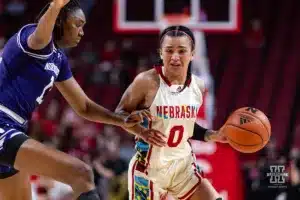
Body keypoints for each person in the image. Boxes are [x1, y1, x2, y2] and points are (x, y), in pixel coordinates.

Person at [0, 0, 166, 200]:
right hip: (2, 124)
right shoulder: (32, 37)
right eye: (77, 24)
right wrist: (56, 6)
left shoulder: (58, 59)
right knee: (81, 173)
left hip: (14, 128)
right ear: (59, 21)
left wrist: (121, 120)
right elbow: (41, 34)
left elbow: (84, 106)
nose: (82, 32)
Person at [115, 25, 228, 200]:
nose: (175, 56)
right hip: (150, 169)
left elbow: (185, 125)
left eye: (181, 51)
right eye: (169, 50)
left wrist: (211, 135)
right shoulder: (146, 81)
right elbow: (119, 114)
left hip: (183, 168)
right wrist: (139, 130)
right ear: (161, 53)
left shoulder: (197, 86)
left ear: (192, 54)